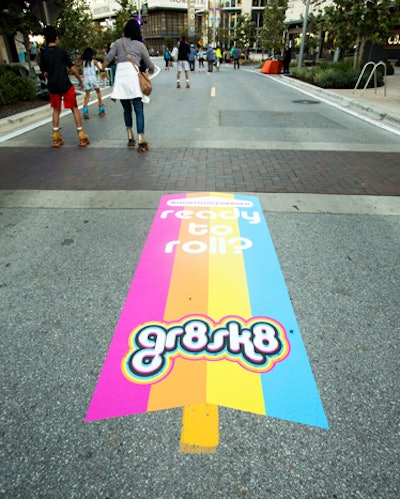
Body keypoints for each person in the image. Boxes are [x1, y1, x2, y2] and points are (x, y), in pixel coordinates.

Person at [102, 19, 154, 152]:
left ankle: (130, 136)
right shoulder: (139, 45)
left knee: (126, 109)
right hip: (133, 77)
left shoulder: (118, 43)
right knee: (139, 110)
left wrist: (103, 68)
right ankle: (141, 139)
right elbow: (148, 62)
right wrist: (151, 70)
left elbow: (108, 58)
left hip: (121, 78)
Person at [40, 26, 89, 148]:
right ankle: (81, 136)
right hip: (66, 85)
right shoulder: (62, 53)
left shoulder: (44, 54)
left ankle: (56, 138)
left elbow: (45, 73)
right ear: (56, 38)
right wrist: (80, 80)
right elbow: (72, 68)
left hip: (53, 86)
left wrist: (51, 78)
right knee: (74, 109)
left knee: (56, 110)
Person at [78, 47, 105, 119]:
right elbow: (101, 69)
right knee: (98, 92)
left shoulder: (82, 61)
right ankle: (101, 108)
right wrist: (103, 75)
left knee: (87, 95)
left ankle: (85, 111)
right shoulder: (94, 61)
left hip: (86, 79)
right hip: (93, 79)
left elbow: (76, 65)